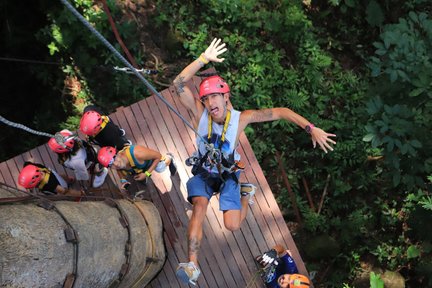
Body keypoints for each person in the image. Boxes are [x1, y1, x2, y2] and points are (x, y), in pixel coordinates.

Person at [172, 38, 336, 285]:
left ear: (226, 98)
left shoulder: (241, 119)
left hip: (228, 175)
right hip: (205, 173)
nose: (211, 102)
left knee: (233, 226)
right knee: (199, 207)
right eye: (207, 98)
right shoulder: (199, 113)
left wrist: (310, 127)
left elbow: (280, 112)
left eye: (216, 97)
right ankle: (192, 264)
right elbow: (178, 83)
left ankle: (245, 195)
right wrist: (203, 59)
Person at [97, 145, 177, 194]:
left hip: (151, 162)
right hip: (140, 169)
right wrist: (123, 181)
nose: (115, 164)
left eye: (113, 159)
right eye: (110, 164)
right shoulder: (118, 165)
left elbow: (158, 156)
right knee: (137, 176)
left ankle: (169, 158)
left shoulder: (137, 153)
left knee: (160, 168)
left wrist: (146, 174)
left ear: (118, 154)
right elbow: (120, 171)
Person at [18, 162, 84, 197]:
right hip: (52, 174)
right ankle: (69, 179)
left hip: (59, 185)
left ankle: (80, 194)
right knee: (60, 176)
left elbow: (63, 191)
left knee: (66, 191)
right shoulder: (33, 166)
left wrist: (66, 192)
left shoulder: (48, 184)